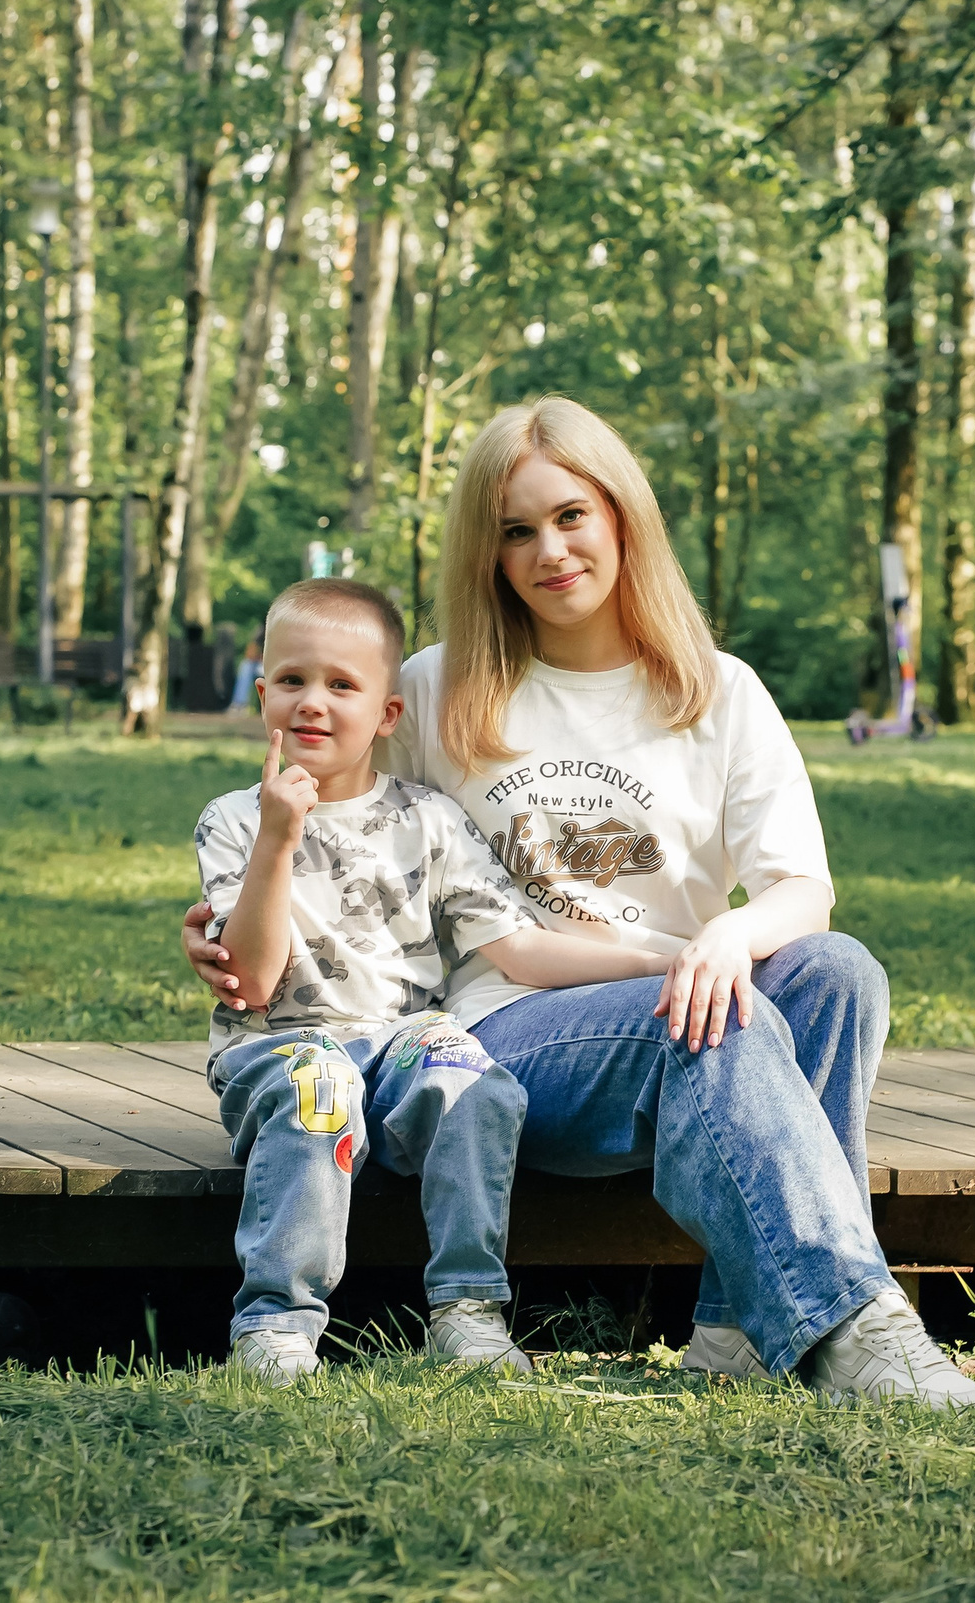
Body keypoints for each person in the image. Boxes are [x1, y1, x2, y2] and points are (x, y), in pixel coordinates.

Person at [184, 399, 975, 1409]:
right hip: (504, 1036)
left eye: (570, 516)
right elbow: (322, 785)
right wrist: (234, 909)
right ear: (487, 553)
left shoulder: (717, 691)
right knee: (709, 1016)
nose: (548, 551)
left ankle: (740, 1325)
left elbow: (804, 889)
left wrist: (728, 935)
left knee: (835, 972)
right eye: (514, 531)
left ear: (620, 515)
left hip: (681, 1006)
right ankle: (858, 1332)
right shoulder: (440, 688)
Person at [196, 577, 672, 1386]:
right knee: (318, 1088)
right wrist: (281, 836)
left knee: (475, 1081)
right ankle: (276, 1320)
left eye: (342, 685)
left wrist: (661, 957)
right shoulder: (236, 819)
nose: (312, 702)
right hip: (278, 1042)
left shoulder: (430, 818)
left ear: (388, 713)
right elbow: (249, 978)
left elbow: (519, 948)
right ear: (263, 691)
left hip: (399, 1036)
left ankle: (468, 1308)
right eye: (292, 680)